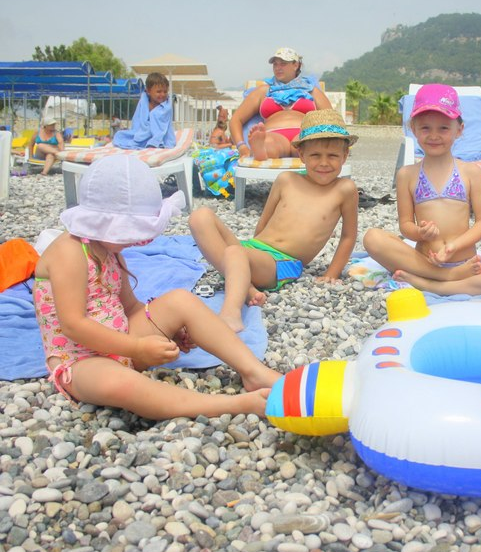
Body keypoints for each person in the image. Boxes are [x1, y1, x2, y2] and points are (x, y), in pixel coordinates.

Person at [33, 154, 280, 420]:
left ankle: (254, 372)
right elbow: (73, 325)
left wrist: (168, 330)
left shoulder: (110, 250)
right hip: (81, 359)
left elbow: (131, 307)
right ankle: (232, 404)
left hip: (124, 338)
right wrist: (137, 348)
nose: (135, 241)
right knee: (122, 385)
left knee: (181, 300)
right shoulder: (69, 252)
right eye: (129, 233)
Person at [189, 109, 359, 332]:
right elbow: (264, 223)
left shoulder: (344, 189)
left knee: (233, 253)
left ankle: (231, 312)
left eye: (333, 156)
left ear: (345, 156)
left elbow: (348, 236)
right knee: (200, 217)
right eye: (315, 155)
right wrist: (249, 254)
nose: (324, 163)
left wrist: (331, 273)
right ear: (301, 154)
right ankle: (246, 283)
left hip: (283, 262)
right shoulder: (286, 179)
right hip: (256, 249)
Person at [362, 84, 481, 298]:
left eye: (443, 128)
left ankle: (434, 286)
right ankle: (445, 277)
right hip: (425, 262)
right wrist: (420, 233)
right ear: (413, 129)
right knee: (372, 237)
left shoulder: (471, 172)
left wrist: (453, 246)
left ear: (459, 130)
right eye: (425, 128)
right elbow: (406, 225)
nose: (434, 135)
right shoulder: (407, 174)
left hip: (465, 263)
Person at [229, 48, 332, 161]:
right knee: (270, 143)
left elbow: (331, 119)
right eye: (275, 64)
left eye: (283, 64)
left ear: (296, 65)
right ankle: (261, 148)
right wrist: (242, 146)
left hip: (304, 133)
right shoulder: (263, 91)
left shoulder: (311, 91)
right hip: (273, 133)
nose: (278, 68)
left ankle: (263, 148)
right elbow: (236, 119)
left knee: (307, 143)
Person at [113, 72, 176, 149]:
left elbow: (162, 127)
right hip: (141, 133)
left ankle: (154, 142)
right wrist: (140, 133)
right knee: (119, 135)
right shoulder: (143, 102)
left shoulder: (166, 107)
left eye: (165, 91)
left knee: (159, 141)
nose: (162, 94)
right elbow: (137, 120)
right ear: (148, 91)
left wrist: (155, 137)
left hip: (161, 136)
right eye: (159, 91)